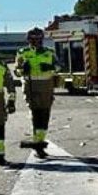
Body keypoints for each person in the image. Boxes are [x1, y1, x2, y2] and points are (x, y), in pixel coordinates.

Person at [15, 27, 57, 158]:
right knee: (36, 115)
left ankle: (39, 142)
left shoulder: (49, 52)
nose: (37, 42)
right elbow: (16, 71)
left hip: (46, 87)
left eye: (39, 39)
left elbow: (60, 66)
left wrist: (50, 67)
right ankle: (38, 145)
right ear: (29, 40)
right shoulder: (22, 53)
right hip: (31, 87)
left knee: (44, 115)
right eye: (33, 40)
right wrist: (23, 69)